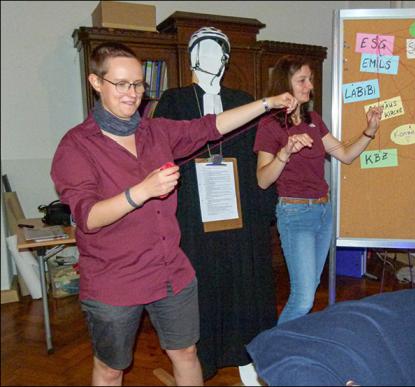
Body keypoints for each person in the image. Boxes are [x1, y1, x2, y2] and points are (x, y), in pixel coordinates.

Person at [50, 42, 296, 386]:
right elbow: (87, 217)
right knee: (110, 369)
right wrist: (143, 191)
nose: (132, 93)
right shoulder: (76, 146)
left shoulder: (156, 132)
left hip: (170, 273)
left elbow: (212, 126)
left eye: (137, 84)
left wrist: (267, 103)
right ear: (96, 82)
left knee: (186, 354)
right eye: (121, 84)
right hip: (114, 280)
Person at [153, 27, 277, 384]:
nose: (212, 57)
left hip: (238, 212)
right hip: (194, 214)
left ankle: (246, 356)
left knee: (244, 281)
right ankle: (200, 360)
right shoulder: (174, 102)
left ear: (225, 59)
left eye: (218, 51)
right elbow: (164, 154)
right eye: (204, 50)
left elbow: (258, 156)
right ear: (192, 58)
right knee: (200, 282)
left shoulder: (243, 100)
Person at [254, 55, 383, 324]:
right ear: (284, 84)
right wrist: (285, 151)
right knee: (303, 298)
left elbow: (346, 154)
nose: (309, 86)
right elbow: (263, 180)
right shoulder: (269, 126)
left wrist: (370, 131)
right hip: (295, 214)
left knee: (309, 291)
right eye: (302, 80)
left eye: (309, 79)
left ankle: (292, 350)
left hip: (324, 212)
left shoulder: (314, 119)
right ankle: (274, 356)